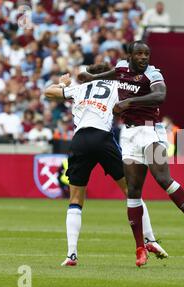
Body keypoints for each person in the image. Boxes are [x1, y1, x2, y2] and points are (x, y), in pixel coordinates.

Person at [77, 41, 184, 267]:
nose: (144, 57)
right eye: (139, 53)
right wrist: (89, 77)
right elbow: (112, 73)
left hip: (151, 131)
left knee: (162, 178)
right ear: (130, 56)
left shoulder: (153, 73)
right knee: (133, 191)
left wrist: (129, 102)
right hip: (128, 136)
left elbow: (160, 96)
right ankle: (140, 248)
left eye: (147, 53)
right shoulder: (121, 68)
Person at [44, 64, 168, 267]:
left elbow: (48, 92)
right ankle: (150, 240)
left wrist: (61, 83)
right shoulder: (118, 87)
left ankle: (71, 255)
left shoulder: (80, 88)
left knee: (75, 199)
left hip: (80, 140)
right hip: (103, 139)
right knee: (131, 192)